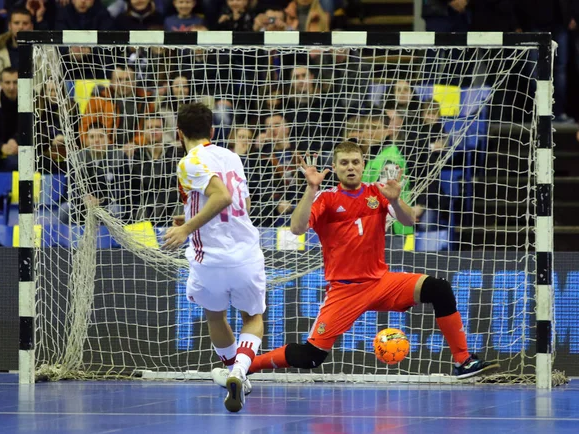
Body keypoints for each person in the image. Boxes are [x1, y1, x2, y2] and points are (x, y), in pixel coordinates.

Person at [212, 140, 500, 386]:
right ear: (335, 168)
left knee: (439, 289)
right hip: (345, 290)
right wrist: (310, 189)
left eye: (356, 162)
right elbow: (298, 228)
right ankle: (244, 367)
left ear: (364, 165)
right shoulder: (326, 199)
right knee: (311, 356)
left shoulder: (379, 193)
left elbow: (409, 221)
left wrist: (397, 201)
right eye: (344, 163)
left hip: (381, 281)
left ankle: (463, 360)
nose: (351, 167)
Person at [163, 102, 266, 413]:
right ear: (212, 130)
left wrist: (187, 227)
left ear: (178, 133)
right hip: (245, 251)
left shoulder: (188, 161)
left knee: (215, 316)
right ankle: (238, 373)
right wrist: (190, 216)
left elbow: (222, 196)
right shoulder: (232, 156)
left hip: (208, 256)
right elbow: (241, 204)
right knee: (253, 318)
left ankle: (233, 370)